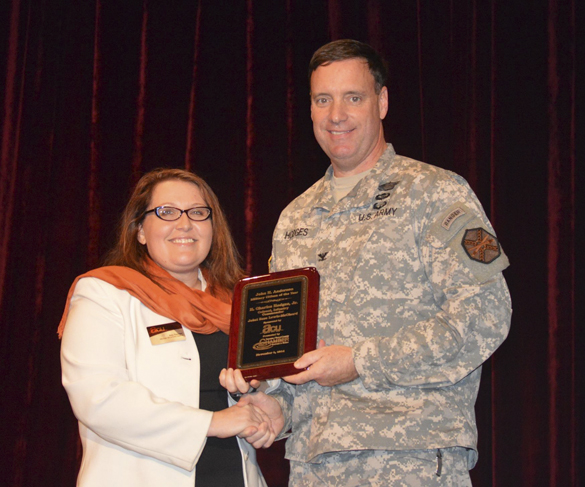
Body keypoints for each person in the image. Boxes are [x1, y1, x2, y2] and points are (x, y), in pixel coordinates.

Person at [221, 39, 512, 486]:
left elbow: (486, 315)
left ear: (382, 101)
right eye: (323, 99)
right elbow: (288, 349)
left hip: (410, 458)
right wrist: (275, 402)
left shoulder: (436, 192)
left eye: (352, 97)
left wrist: (362, 360)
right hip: (314, 465)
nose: (337, 114)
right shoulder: (294, 217)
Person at [59, 168, 271, 487]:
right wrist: (211, 423)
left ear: (213, 228)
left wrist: (271, 407)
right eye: (166, 212)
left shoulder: (241, 304)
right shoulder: (103, 293)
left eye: (198, 213)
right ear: (140, 230)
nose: (184, 223)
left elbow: (267, 387)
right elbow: (99, 398)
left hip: (234, 475)